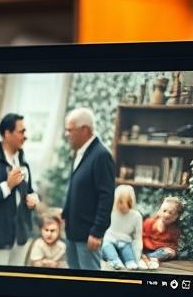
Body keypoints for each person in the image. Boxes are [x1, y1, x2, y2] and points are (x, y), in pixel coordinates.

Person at [0, 113, 39, 266]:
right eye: (21, 132)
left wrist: (32, 198)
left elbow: (28, 190)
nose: (25, 136)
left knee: (16, 283)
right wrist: (7, 185)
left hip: (21, 236)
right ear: (7, 134)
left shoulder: (23, 161)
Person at [61, 108, 114, 271]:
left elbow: (106, 196)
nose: (66, 134)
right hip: (73, 231)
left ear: (84, 129)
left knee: (90, 283)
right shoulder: (79, 152)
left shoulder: (101, 155)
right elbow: (76, 187)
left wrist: (97, 231)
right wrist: (65, 213)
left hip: (88, 235)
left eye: (70, 130)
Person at [101, 184, 142, 271]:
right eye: (120, 202)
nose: (123, 205)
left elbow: (138, 238)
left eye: (126, 202)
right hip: (109, 241)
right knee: (109, 249)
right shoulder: (111, 212)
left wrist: (137, 258)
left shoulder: (136, 216)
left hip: (124, 242)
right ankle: (115, 262)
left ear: (131, 201)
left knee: (129, 256)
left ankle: (129, 262)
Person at [141, 196, 184, 270]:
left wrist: (170, 251)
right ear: (159, 211)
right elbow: (142, 236)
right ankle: (148, 258)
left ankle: (149, 258)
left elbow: (173, 246)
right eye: (164, 211)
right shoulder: (150, 222)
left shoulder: (173, 229)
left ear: (176, 216)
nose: (166, 215)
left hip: (160, 251)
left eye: (171, 213)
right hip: (147, 248)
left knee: (170, 252)